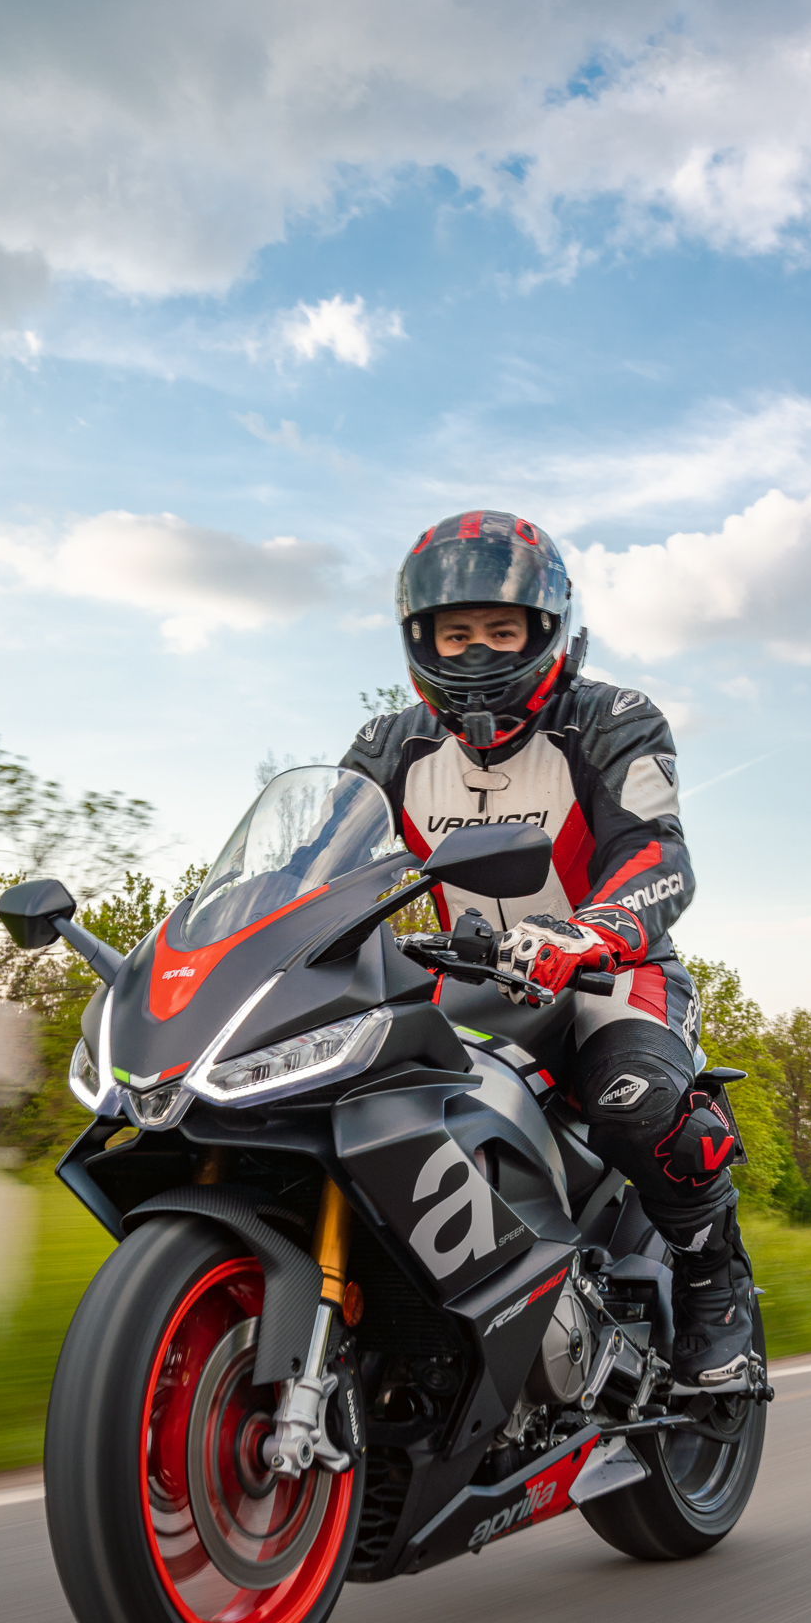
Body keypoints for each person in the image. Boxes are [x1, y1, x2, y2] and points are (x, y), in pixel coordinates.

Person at [338, 510, 755, 1392]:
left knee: (636, 1102)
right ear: (420, 640)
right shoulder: (387, 747)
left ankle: (713, 1279)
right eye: (456, 633)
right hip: (453, 990)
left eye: (501, 630)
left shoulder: (613, 720)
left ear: (547, 630)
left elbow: (658, 854)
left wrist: (587, 932)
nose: (477, 652)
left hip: (610, 974)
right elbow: (315, 869)